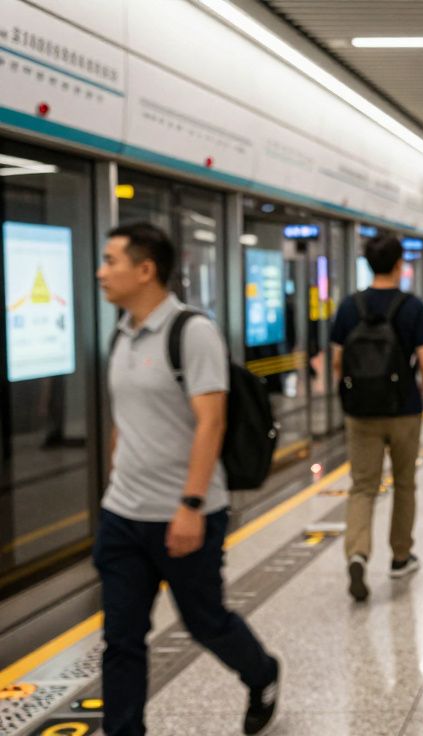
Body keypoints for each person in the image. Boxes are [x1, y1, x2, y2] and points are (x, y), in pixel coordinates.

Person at [96, 222, 280, 736]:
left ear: (146, 269)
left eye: (111, 261)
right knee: (122, 640)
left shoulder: (191, 332)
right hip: (123, 517)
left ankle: (262, 673)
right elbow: (125, 417)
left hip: (184, 513)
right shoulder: (122, 332)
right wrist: (116, 478)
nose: (101, 271)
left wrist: (191, 505)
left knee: (205, 623)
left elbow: (211, 422)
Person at [331, 235, 423, 602]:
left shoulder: (350, 306)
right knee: (404, 483)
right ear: (400, 265)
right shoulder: (412, 307)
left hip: (361, 412)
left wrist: (350, 397)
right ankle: (400, 556)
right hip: (404, 410)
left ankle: (358, 555)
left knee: (362, 486)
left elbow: (337, 362)